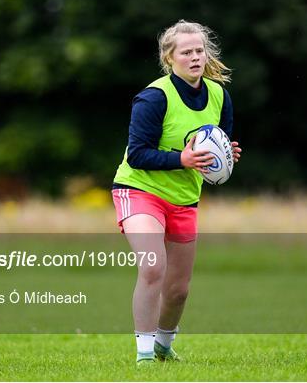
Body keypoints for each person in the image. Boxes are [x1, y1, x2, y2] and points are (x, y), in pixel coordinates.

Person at [112, 19, 241, 365]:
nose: (195, 57)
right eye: (187, 52)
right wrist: (181, 159)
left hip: (184, 198)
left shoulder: (219, 95)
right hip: (140, 189)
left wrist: (225, 155)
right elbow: (137, 153)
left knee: (178, 290)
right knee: (153, 268)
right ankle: (143, 357)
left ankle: (163, 347)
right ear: (170, 58)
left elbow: (217, 145)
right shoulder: (154, 98)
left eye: (200, 50)